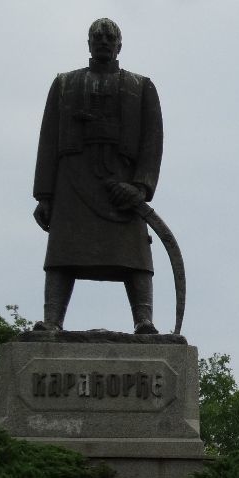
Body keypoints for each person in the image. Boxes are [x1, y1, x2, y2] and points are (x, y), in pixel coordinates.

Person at [33, 18, 164, 333]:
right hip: (73, 180)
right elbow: (48, 139)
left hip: (122, 184)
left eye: (110, 36)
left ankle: (144, 320)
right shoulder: (64, 84)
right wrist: (45, 195)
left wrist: (141, 186)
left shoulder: (141, 86)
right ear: (88, 42)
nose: (103, 40)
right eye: (97, 36)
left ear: (120, 44)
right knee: (64, 250)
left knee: (136, 253)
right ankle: (53, 320)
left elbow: (152, 142)